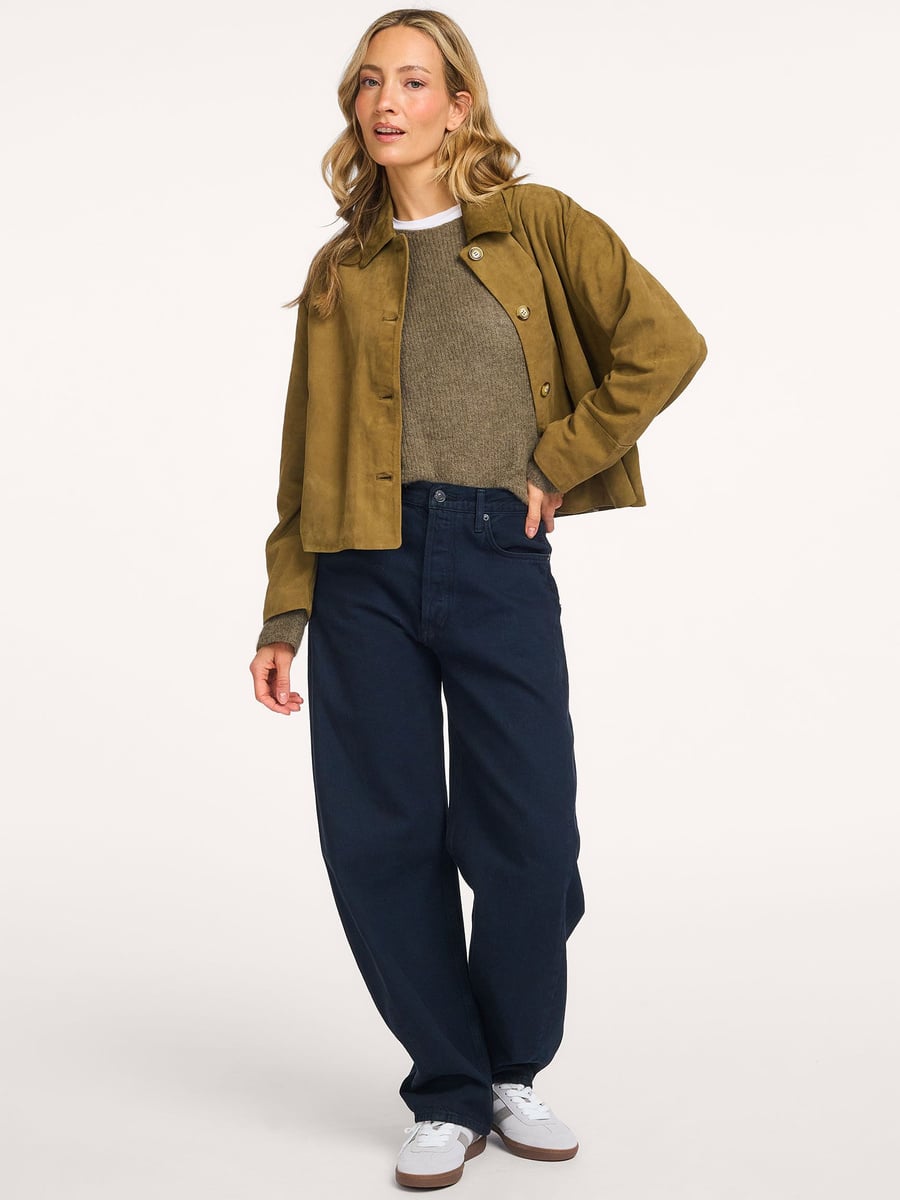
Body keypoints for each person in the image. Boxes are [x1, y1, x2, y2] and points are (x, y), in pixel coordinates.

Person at [249, 7, 707, 1190]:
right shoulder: (341, 270)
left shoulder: (537, 225)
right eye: (369, 83)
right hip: (360, 567)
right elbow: (304, 452)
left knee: (529, 832)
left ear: (460, 105)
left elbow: (667, 344)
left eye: (413, 81)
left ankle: (513, 1066)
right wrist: (285, 610)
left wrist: (557, 461)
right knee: (381, 834)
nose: (385, 102)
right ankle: (448, 1087)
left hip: (497, 551)